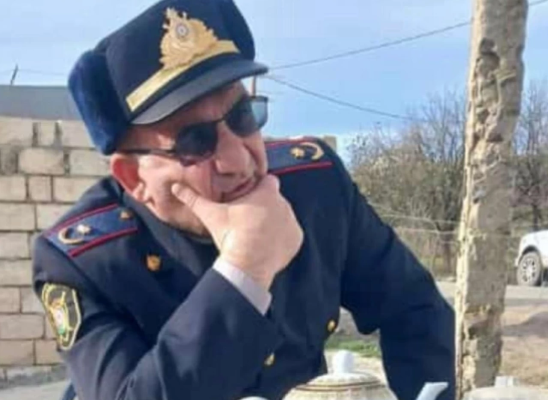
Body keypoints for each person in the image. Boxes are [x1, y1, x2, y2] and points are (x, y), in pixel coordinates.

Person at [32, 0, 456, 400]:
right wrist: (244, 272)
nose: (238, 159)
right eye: (194, 141)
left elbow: (414, 307)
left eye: (242, 116)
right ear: (134, 177)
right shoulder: (81, 261)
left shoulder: (314, 186)